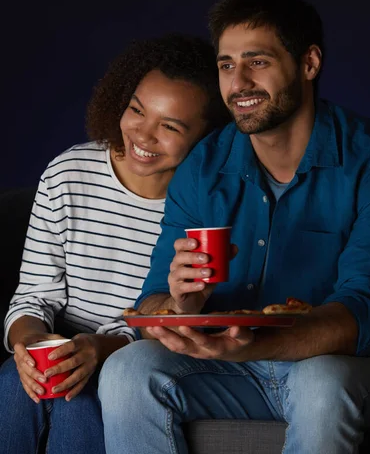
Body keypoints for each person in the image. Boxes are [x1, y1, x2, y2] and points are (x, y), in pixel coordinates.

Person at [98, 0, 370, 454]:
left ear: (309, 63)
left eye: (257, 62)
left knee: (323, 384)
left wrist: (251, 344)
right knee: (127, 369)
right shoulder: (203, 164)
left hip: (339, 367)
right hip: (229, 368)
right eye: (226, 65)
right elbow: (153, 300)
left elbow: (361, 316)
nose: (237, 84)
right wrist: (183, 305)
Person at [0, 33, 229, 454]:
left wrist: (101, 349)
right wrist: (30, 347)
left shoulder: (204, 211)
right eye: (137, 110)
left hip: (131, 360)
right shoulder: (68, 173)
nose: (143, 135)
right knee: (16, 382)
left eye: (170, 126)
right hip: (57, 346)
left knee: (80, 398)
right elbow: (33, 296)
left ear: (207, 136)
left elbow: (179, 321)